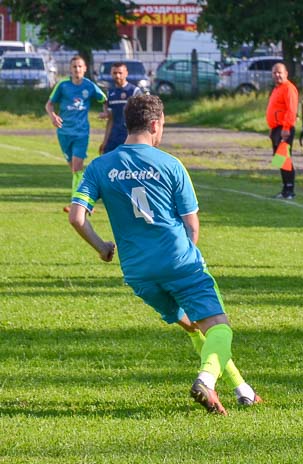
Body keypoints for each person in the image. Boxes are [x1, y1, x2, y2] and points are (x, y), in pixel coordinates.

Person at [68, 94, 262, 415]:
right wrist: (186, 262)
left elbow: (76, 217)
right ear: (156, 125)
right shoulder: (171, 164)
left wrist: (102, 247)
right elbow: (192, 226)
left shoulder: (100, 167)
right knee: (219, 326)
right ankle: (206, 380)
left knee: (194, 325)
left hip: (137, 273)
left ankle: (243, 390)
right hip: (179, 261)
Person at [45, 55, 106, 212]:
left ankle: (76, 203)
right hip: (64, 132)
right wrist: (53, 116)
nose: (77, 69)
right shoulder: (63, 85)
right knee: (73, 168)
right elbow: (49, 104)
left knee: (77, 167)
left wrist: (105, 112)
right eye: (74, 67)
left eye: (80, 66)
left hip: (81, 132)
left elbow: (104, 99)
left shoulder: (89, 86)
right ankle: (88, 195)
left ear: (85, 69)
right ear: (70, 69)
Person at [266, 62, 298, 199]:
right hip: (276, 128)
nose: (277, 75)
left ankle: (289, 189)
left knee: (284, 159)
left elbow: (291, 110)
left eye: (279, 72)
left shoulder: (288, 88)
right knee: (279, 159)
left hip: (284, 128)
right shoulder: (277, 88)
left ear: (286, 73)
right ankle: (285, 188)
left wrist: (286, 128)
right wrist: (272, 128)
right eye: (274, 72)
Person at [99, 62, 142, 155]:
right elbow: (110, 119)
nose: (117, 76)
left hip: (129, 135)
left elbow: (140, 118)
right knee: (108, 162)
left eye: (120, 73)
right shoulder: (110, 93)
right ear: (111, 74)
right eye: (114, 73)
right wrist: (105, 141)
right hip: (114, 135)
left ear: (126, 73)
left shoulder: (134, 92)